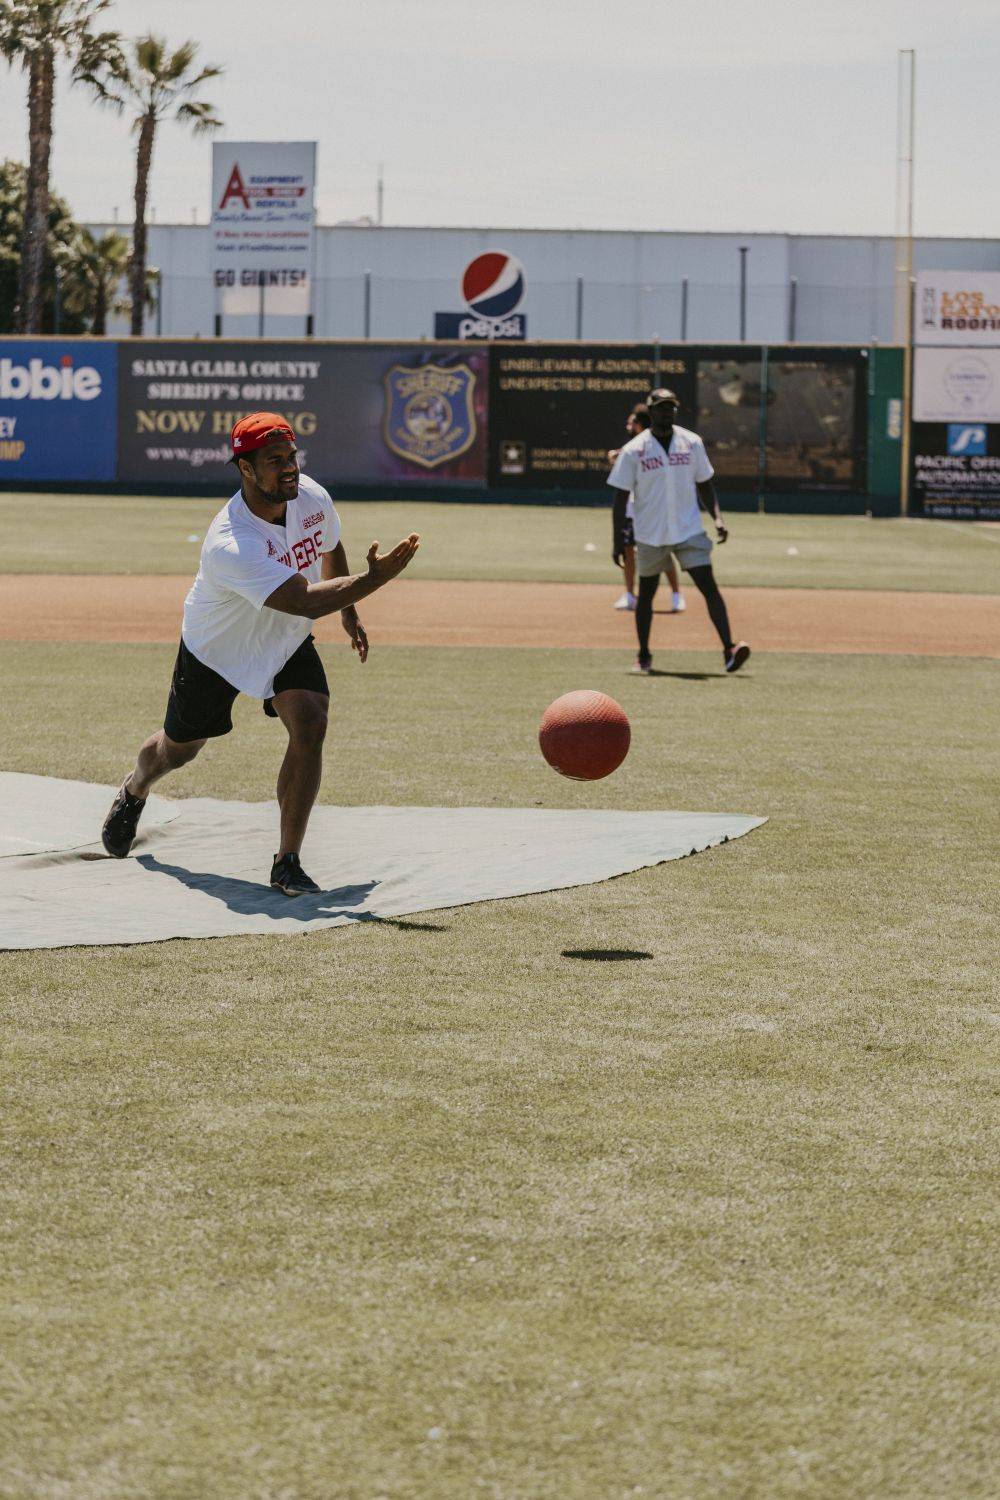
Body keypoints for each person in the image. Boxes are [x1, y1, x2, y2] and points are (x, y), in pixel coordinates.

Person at [101, 411, 420, 895]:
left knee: (310, 722)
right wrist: (372, 582)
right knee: (177, 751)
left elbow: (330, 548)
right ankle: (135, 788)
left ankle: (287, 860)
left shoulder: (310, 495)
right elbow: (301, 598)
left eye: (292, 456)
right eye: (275, 461)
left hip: (286, 638)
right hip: (218, 650)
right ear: (245, 469)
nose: (289, 468)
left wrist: (349, 610)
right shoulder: (230, 543)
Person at [608, 388, 750, 676]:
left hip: (688, 530)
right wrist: (617, 541)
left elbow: (705, 484)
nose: (666, 412)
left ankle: (729, 649)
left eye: (671, 407)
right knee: (646, 595)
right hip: (650, 533)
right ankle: (644, 654)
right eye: (660, 408)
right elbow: (620, 498)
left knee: (709, 588)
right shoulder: (635, 450)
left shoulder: (691, 443)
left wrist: (718, 519)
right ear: (651, 411)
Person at [607, 403, 684, 615]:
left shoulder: (649, 445)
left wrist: (617, 456)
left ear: (640, 424)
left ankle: (677, 594)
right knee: (628, 549)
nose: (628, 425)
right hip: (632, 508)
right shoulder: (634, 446)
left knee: (664, 553)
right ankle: (629, 595)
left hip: (651, 509)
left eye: (632, 422)